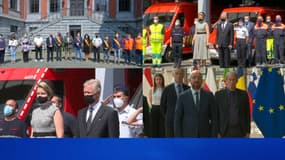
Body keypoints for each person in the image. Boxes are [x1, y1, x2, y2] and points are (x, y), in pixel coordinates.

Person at [174, 70, 216, 137]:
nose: (196, 80)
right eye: (194, 77)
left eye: (199, 78)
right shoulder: (182, 97)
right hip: (188, 136)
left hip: (205, 136)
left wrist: (213, 136)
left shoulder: (209, 96)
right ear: (189, 80)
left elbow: (214, 118)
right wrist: (179, 139)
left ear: (202, 80)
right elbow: (177, 120)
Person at [215, 71, 250, 138]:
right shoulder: (218, 95)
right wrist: (217, 132)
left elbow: (247, 114)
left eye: (233, 80)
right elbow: (216, 115)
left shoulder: (244, 94)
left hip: (240, 130)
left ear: (237, 81)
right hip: (224, 131)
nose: (231, 82)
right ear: (226, 81)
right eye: (229, 79)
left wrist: (248, 131)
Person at [160, 68, 190, 137]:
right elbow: (162, 106)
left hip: (184, 122)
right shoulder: (167, 89)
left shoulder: (188, 89)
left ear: (183, 75)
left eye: (180, 73)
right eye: (176, 73)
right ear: (173, 75)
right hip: (170, 122)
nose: (179, 76)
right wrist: (168, 116)